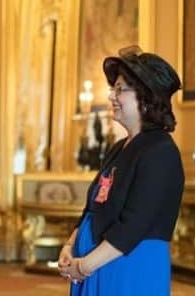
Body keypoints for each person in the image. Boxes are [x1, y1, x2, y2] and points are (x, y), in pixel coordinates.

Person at [58, 45, 185, 295]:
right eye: (112, 89)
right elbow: (92, 208)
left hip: (129, 272)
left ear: (147, 99)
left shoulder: (161, 151)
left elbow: (134, 225)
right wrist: (70, 246)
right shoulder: (119, 148)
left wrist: (84, 265)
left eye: (120, 90)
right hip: (97, 266)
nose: (111, 97)